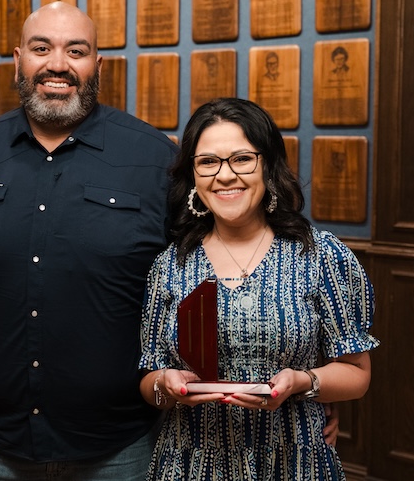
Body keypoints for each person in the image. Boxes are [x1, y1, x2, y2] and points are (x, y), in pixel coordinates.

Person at [0, 2, 179, 480]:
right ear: (18, 59)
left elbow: (214, 278)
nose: (57, 64)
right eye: (42, 48)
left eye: (75, 50)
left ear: (97, 65)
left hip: (122, 448)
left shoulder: (157, 160)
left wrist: (303, 386)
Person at [138, 98, 379, 480]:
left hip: (293, 461)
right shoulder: (170, 266)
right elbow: (149, 379)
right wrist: (165, 387)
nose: (225, 175)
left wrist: (303, 383)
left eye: (242, 159)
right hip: (190, 463)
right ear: (193, 177)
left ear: (267, 166)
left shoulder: (320, 256)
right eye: (208, 162)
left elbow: (356, 375)